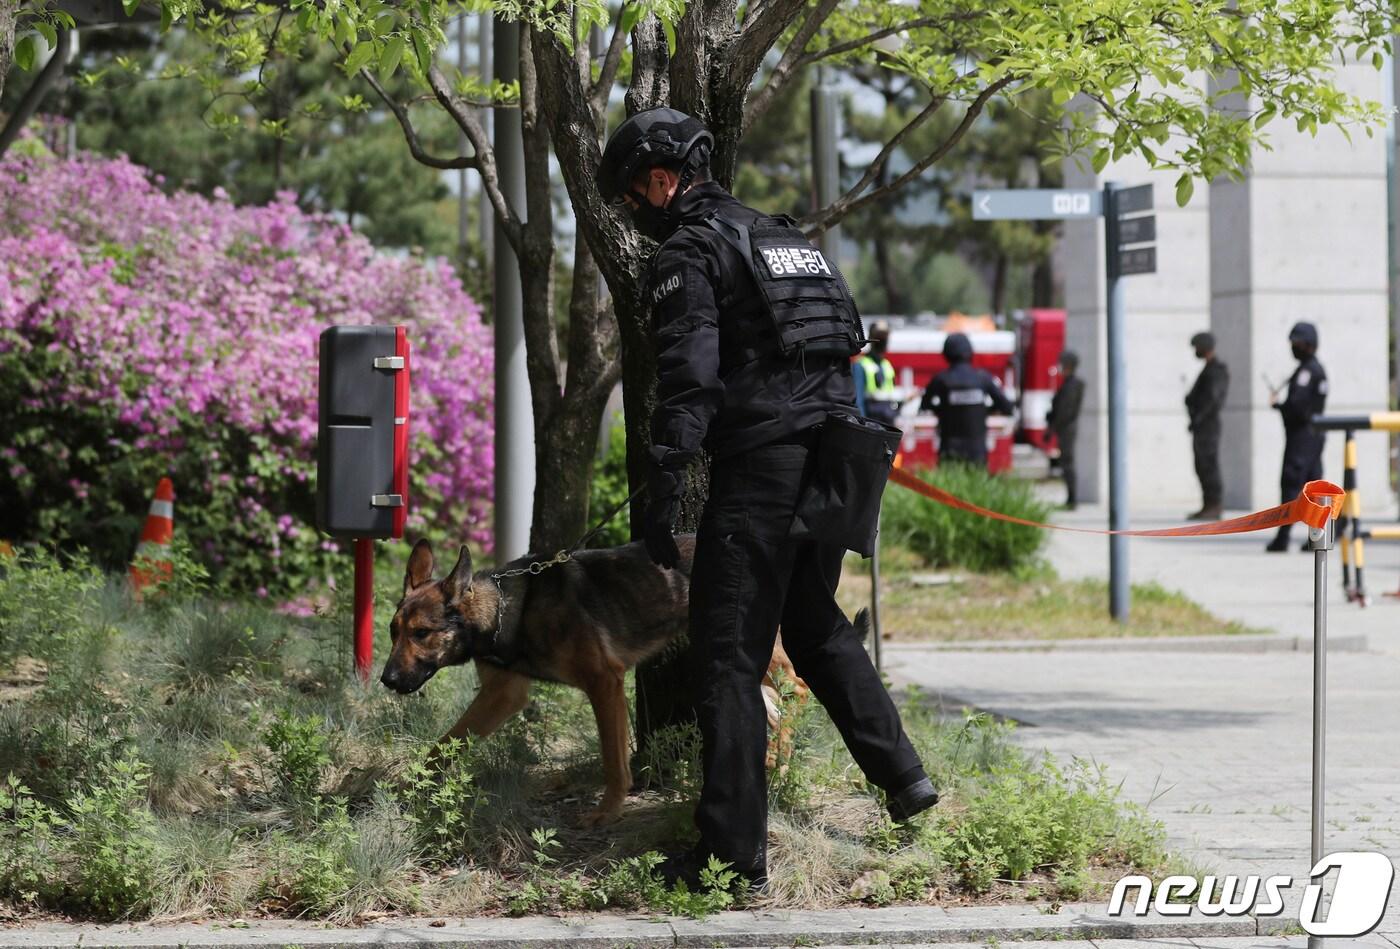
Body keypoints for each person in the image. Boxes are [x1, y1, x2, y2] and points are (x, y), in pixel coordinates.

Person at [595, 108, 937, 889]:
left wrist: (664, 479)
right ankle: (905, 779)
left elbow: (691, 375)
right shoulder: (786, 239)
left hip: (763, 470)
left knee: (728, 656)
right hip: (838, 458)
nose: (634, 217)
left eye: (631, 199)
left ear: (658, 179)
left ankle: (730, 858)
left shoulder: (691, 249)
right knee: (814, 625)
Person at [1265, 321, 1328, 552]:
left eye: (1297, 343)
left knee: (1292, 485)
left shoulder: (1307, 372)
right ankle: (1317, 536)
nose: (1294, 347)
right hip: (1314, 437)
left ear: (1309, 344)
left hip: (1302, 438)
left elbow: (1298, 407)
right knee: (1315, 488)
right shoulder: (1314, 370)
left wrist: (1281, 407)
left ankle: (1283, 537)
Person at [918, 332, 1015, 467]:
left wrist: (943, 410)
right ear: (970, 352)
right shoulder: (983, 378)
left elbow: (924, 405)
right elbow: (1007, 407)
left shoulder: (940, 380)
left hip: (949, 451)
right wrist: (984, 410)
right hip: (977, 452)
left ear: (946, 354)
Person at [1184, 331, 1229, 520]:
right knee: (1201, 465)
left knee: (1208, 465)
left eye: (1197, 348)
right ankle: (1208, 504)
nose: (1196, 351)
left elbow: (1211, 399)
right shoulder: (1209, 369)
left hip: (1207, 427)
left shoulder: (1216, 370)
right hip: (1202, 426)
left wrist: (1198, 418)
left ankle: (1214, 504)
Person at [1046, 350, 1084, 510]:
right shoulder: (1069, 384)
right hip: (1065, 427)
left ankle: (1072, 499)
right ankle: (1071, 498)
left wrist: (1051, 428)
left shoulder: (1072, 385)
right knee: (1066, 463)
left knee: (1067, 464)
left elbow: (1064, 411)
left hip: (1066, 428)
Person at [854, 320, 900, 425]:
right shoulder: (860, 365)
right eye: (879, 338)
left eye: (884, 338)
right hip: (872, 424)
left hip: (888, 423)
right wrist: (863, 425)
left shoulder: (887, 365)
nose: (882, 342)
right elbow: (858, 401)